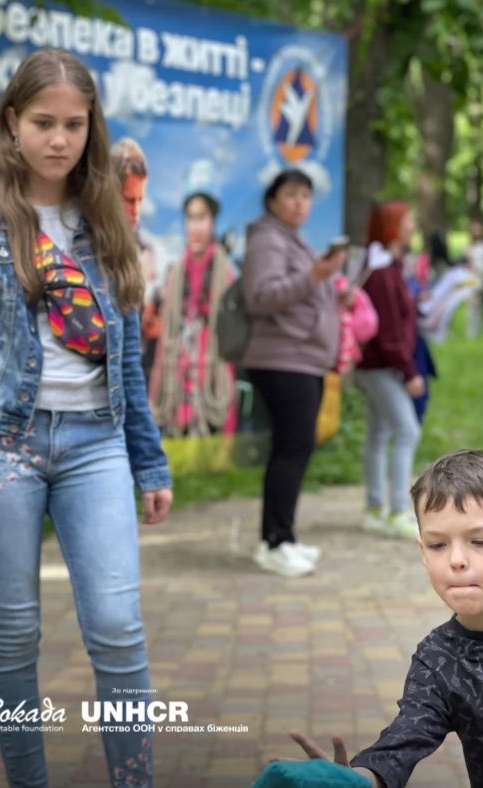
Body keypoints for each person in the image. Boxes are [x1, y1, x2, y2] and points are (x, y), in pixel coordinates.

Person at [0, 48, 172, 788]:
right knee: (13, 634)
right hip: (3, 447)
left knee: (120, 630)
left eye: (72, 124)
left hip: (98, 444)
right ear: (11, 123)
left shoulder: (107, 226)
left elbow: (126, 361)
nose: (58, 139)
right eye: (42, 123)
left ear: (90, 127)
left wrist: (149, 461)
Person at [283, 449, 483, 788]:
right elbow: (400, 744)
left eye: (479, 541)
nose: (456, 560)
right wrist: (353, 781)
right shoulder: (439, 661)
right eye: (438, 545)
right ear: (423, 553)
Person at [239, 169, 344, 577]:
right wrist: (314, 276)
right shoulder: (268, 239)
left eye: (305, 195)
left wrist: (329, 286)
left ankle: (283, 537)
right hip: (283, 359)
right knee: (291, 449)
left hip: (302, 359)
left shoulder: (290, 239)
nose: (300, 202)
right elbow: (261, 297)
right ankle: (274, 541)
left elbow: (298, 293)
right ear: (272, 201)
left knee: (294, 449)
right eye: (291, 195)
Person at [148, 160, 237, 437]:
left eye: (202, 217)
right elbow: (165, 337)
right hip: (177, 376)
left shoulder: (226, 274)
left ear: (212, 221)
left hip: (213, 378)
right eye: (191, 217)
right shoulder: (175, 273)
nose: (196, 226)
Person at [357, 201, 423, 539]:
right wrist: (409, 371)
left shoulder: (386, 266)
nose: (413, 226)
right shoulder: (382, 272)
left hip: (375, 367)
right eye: (408, 220)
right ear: (392, 227)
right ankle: (398, 509)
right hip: (380, 368)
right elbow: (389, 333)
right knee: (407, 431)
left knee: (379, 434)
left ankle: (373, 508)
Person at [110, 137, 160, 380]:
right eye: (130, 200)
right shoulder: (81, 241)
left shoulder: (144, 248)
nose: (136, 211)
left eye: (140, 200)